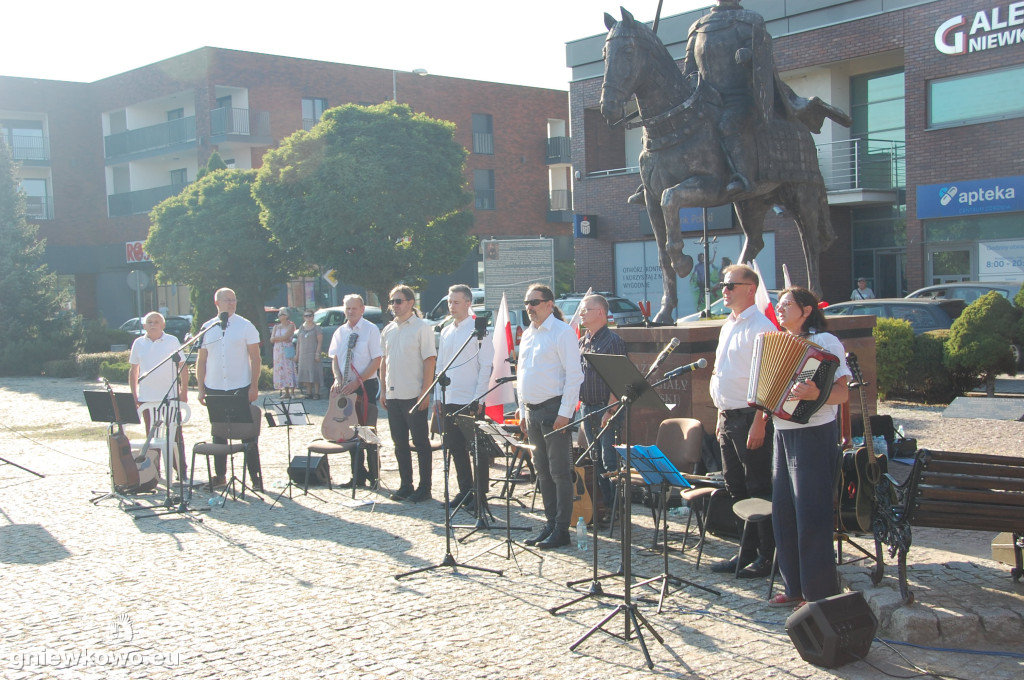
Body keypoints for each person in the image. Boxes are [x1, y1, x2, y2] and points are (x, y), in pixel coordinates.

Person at [769, 286, 851, 607]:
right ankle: (794, 587)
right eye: (778, 304)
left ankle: (818, 592)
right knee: (784, 512)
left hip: (814, 433)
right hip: (782, 432)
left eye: (787, 304)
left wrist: (814, 395)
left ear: (806, 310)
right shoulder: (775, 342)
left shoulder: (825, 343)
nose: (780, 308)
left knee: (811, 514)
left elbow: (843, 395)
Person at [708, 264, 776, 578]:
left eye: (731, 285)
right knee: (736, 488)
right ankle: (745, 552)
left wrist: (760, 422)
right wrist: (719, 414)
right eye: (723, 284)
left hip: (751, 418)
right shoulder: (729, 324)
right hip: (728, 417)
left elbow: (770, 380)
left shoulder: (762, 327)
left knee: (759, 488)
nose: (725, 290)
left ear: (750, 288)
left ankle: (767, 556)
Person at [516, 283, 584, 550]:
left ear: (549, 303)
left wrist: (565, 414)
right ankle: (549, 523)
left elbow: (574, 376)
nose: (529, 308)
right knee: (541, 472)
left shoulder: (562, 332)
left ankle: (561, 529)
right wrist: (522, 411)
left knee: (559, 473)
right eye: (526, 303)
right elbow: (522, 374)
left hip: (554, 411)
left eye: (534, 302)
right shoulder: (529, 334)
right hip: (532, 412)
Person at [196, 287, 264, 492]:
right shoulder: (207, 327)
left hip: (240, 387)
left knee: (248, 434)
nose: (231, 303)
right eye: (227, 300)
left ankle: (256, 477)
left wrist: (254, 385)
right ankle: (220, 476)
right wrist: (200, 388)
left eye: (234, 300)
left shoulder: (246, 326)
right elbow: (202, 360)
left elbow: (256, 358)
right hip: (215, 387)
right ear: (216, 303)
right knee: (219, 433)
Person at [434, 285, 494, 509]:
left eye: (456, 302)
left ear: (468, 303)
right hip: (450, 397)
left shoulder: (479, 331)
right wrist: (437, 397)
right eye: (450, 302)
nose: (451, 306)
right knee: (455, 447)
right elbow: (441, 365)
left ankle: (480, 495)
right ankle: (465, 490)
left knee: (477, 450)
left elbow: (486, 366)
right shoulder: (447, 330)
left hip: (471, 399)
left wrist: (479, 398)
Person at [379, 285, 437, 502]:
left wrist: (425, 392)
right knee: (399, 443)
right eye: (392, 301)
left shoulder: (422, 328)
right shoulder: (388, 329)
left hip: (414, 394)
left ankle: (425, 487)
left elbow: (429, 360)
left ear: (411, 302)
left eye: (399, 301)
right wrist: (383, 390)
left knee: (421, 443)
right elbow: (384, 361)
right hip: (393, 395)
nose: (394, 305)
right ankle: (406, 484)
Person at [577, 294, 626, 524]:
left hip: (607, 408)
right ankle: (607, 507)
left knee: (610, 461)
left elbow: (618, 380)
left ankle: (618, 510)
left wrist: (610, 411)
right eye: (581, 310)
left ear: (601, 313)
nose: (581, 313)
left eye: (586, 309)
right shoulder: (583, 341)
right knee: (595, 459)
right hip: (587, 408)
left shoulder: (612, 341)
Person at [329, 294, 383, 488]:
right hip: (345, 386)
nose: (350, 312)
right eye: (347, 309)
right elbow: (335, 358)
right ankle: (357, 476)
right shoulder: (340, 331)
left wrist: (358, 381)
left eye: (354, 308)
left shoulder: (370, 330)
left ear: (362, 309)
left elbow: (377, 360)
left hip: (366, 386)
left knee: (367, 430)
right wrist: (337, 378)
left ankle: (375, 476)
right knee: (350, 429)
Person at [128, 311, 189, 480]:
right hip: (147, 396)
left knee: (175, 434)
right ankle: (154, 472)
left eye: (156, 321)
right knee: (152, 435)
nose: (153, 324)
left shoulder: (172, 341)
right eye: (149, 322)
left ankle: (180, 471)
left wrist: (183, 391)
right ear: (144, 326)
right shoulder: (138, 343)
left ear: (163, 325)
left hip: (170, 395)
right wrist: (134, 394)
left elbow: (182, 367)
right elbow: (134, 371)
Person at [295, 310, 323, 399]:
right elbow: (298, 342)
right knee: (306, 373)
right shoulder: (301, 327)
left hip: (313, 353)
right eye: (306, 316)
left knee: (315, 371)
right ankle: (308, 391)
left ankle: (317, 392)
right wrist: (297, 355)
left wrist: (317, 353)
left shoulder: (317, 328)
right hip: (303, 354)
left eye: (310, 315)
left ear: (313, 316)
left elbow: (320, 342)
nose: (308, 317)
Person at [271, 309, 298, 399]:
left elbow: (286, 336)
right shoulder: (276, 327)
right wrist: (280, 338)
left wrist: (277, 338)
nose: (281, 316)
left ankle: (293, 392)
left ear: (287, 316)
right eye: (279, 314)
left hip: (287, 349)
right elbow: (271, 339)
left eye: (283, 314)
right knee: (281, 369)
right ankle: (286, 392)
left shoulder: (290, 325)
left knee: (289, 368)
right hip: (278, 351)